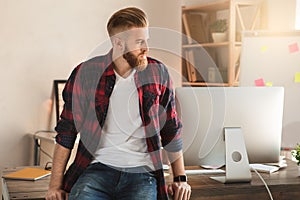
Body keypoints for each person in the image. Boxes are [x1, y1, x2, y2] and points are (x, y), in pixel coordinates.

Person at [45, 7, 191, 200]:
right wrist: (54, 186)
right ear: (118, 43)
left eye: (146, 40)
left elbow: (171, 129)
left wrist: (180, 178)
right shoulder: (86, 74)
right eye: (139, 42)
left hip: (142, 173)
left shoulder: (158, 73)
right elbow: (66, 132)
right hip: (96, 171)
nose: (146, 47)